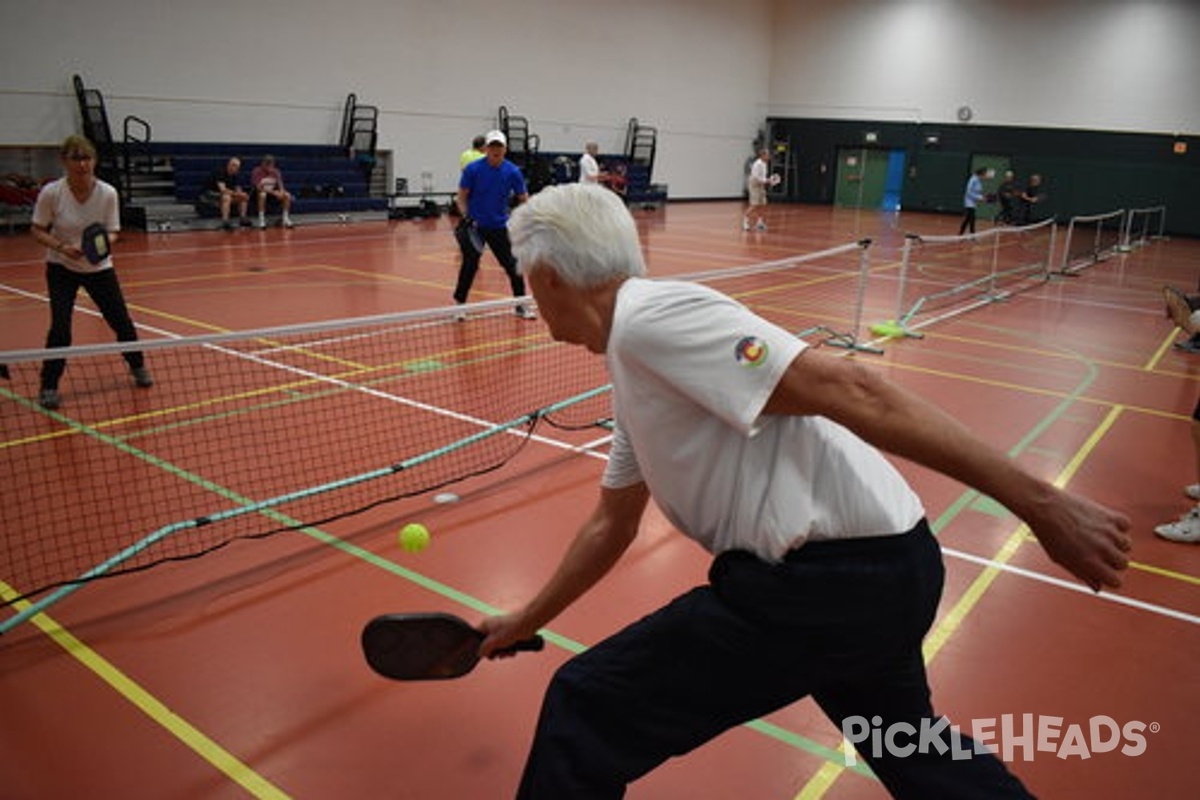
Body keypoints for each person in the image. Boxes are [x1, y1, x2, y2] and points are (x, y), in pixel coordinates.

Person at [482, 183, 1132, 799]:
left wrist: (1039, 504)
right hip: (885, 571)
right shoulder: (632, 359)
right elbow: (612, 522)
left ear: (548, 278)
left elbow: (855, 388)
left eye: (527, 281)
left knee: (589, 705)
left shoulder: (653, 320)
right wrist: (523, 621)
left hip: (829, 585)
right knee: (912, 749)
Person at [29, 135, 152, 410]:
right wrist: (61, 247)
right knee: (60, 330)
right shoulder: (52, 193)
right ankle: (48, 385)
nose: (82, 164)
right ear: (65, 161)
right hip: (61, 267)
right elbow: (37, 229)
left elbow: (113, 232)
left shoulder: (107, 193)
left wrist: (96, 247)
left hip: (99, 268)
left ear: (94, 161)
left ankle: (138, 366)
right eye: (76, 158)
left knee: (121, 322)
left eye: (87, 158)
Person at [453, 129, 536, 320]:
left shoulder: (513, 172)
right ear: (486, 149)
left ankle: (520, 305)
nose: (495, 150)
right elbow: (462, 197)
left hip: (499, 226)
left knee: (513, 265)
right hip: (475, 226)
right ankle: (459, 306)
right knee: (470, 264)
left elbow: (523, 198)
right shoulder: (473, 169)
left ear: (505, 149)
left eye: (499, 146)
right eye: (492, 146)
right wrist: (466, 216)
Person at [201, 157, 251, 231]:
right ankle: (225, 221)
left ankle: (242, 218)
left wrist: (241, 194)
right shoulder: (220, 172)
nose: (237, 169)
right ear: (230, 165)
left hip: (226, 194)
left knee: (244, 197)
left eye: (238, 167)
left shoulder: (235, 175)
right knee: (226, 197)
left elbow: (238, 187)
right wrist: (236, 194)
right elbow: (223, 190)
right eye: (236, 167)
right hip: (210, 194)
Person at [250, 155, 294, 229]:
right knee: (262, 195)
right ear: (263, 164)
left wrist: (281, 192)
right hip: (258, 194)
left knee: (287, 195)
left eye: (271, 165)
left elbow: (280, 184)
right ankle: (261, 219)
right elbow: (258, 188)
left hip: (272, 194)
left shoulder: (276, 171)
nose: (270, 168)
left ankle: (285, 218)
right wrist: (274, 192)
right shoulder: (256, 171)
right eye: (267, 165)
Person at [743, 148, 773, 232]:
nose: (769, 156)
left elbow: (762, 177)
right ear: (762, 155)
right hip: (754, 185)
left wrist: (769, 180)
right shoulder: (757, 164)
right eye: (767, 155)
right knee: (754, 205)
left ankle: (759, 223)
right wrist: (767, 181)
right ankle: (745, 221)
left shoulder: (765, 164)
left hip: (761, 185)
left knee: (762, 204)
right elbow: (756, 178)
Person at [958, 167, 988, 236]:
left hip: (973, 203)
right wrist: (980, 198)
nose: (986, 176)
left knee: (968, 218)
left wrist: (983, 197)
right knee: (972, 219)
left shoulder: (979, 180)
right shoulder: (973, 179)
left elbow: (977, 192)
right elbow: (969, 192)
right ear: (982, 174)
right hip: (969, 202)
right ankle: (972, 235)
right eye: (985, 174)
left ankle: (961, 233)